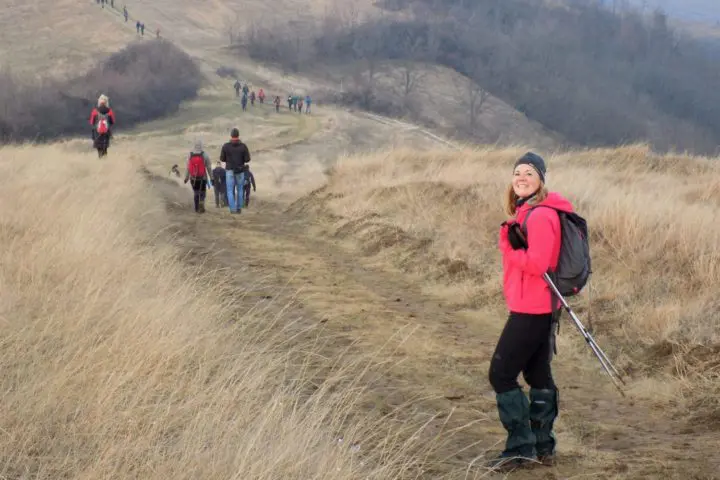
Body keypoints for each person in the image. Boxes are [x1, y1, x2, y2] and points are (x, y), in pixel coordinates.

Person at [487, 152, 573, 472]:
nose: (521, 177)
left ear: (541, 180)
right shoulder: (528, 212)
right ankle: (542, 446)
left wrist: (508, 248)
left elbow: (537, 264)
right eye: (517, 172)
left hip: (532, 309)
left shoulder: (540, 216)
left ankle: (521, 447)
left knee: (501, 374)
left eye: (529, 173)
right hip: (537, 306)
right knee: (537, 375)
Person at [220, 128, 251, 214]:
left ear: (231, 135)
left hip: (229, 170)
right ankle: (239, 208)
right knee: (240, 190)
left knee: (230, 190)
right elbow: (248, 159)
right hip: (240, 171)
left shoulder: (225, 146)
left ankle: (232, 209)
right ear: (238, 135)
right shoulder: (243, 146)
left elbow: (222, 159)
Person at [183, 139, 212, 213]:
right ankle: (201, 203)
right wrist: (212, 178)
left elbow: (188, 168)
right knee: (202, 192)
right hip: (203, 178)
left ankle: (196, 208)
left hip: (193, 178)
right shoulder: (204, 154)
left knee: (196, 192)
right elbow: (209, 167)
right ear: (201, 145)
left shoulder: (190, 154)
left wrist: (186, 178)